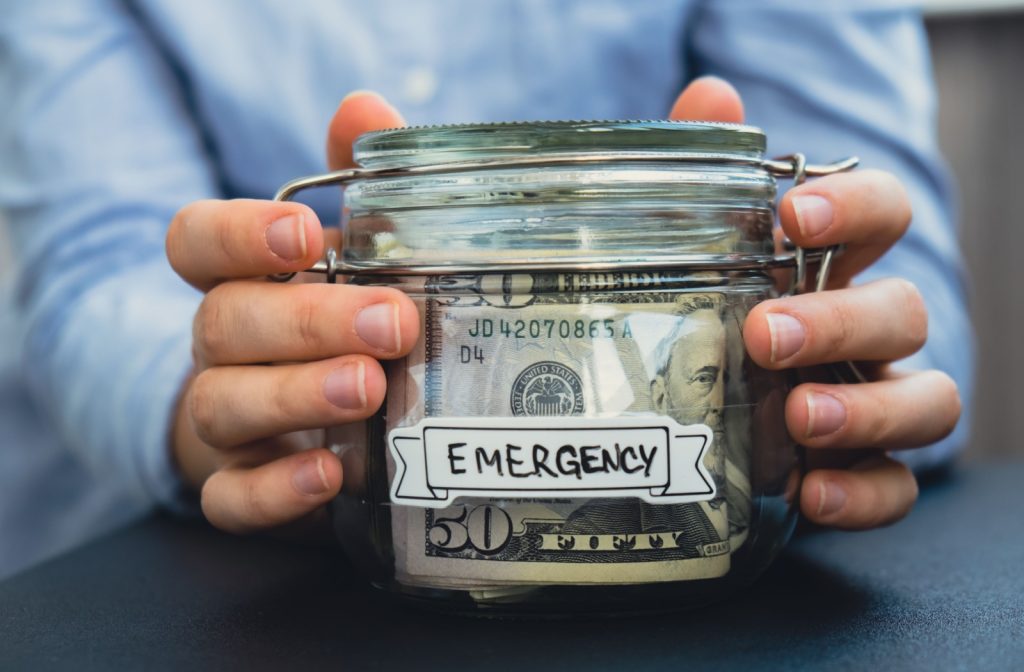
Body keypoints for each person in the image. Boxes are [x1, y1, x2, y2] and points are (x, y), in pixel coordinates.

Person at [0, 2, 968, 578]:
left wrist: (842, 357)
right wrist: (252, 400)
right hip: (171, 562)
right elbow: (95, 260)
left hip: (750, 552)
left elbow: (894, 261)